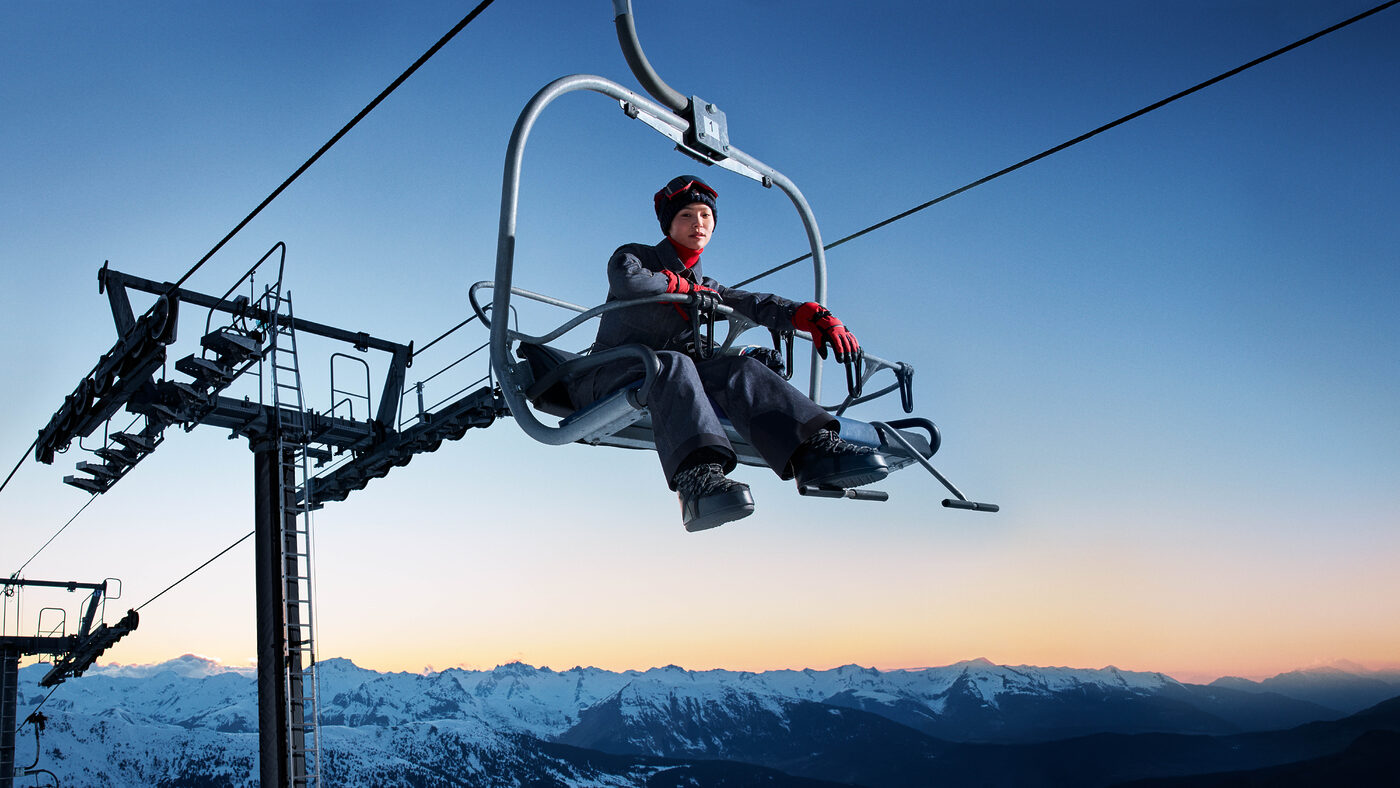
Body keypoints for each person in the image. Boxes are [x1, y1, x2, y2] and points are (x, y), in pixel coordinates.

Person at [567, 175, 888, 532]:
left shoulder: (705, 287)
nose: (698, 223)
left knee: (740, 368)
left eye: (705, 215)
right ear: (669, 224)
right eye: (687, 215)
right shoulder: (636, 257)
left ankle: (813, 450)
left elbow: (752, 303)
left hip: (666, 378)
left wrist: (808, 315)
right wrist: (678, 286)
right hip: (607, 374)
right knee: (672, 362)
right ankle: (697, 482)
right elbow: (628, 280)